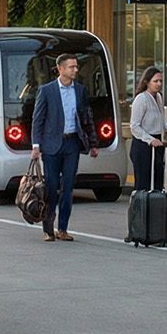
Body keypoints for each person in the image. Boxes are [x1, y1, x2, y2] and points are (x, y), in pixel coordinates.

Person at [31, 53, 98, 243]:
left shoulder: (80, 90)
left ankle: (63, 229)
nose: (75, 70)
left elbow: (87, 118)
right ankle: (48, 229)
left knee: (68, 188)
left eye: (76, 67)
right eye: (71, 67)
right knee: (51, 188)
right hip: (51, 146)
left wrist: (93, 144)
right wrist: (36, 146)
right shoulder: (47, 91)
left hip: (72, 144)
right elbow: (38, 120)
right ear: (60, 69)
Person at [128, 66, 167, 194]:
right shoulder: (141, 99)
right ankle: (141, 210)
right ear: (147, 82)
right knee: (143, 184)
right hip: (142, 144)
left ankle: (155, 209)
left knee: (158, 180)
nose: (159, 84)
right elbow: (135, 126)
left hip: (157, 142)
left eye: (160, 81)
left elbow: (163, 121)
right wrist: (150, 139)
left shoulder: (158, 97)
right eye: (155, 81)